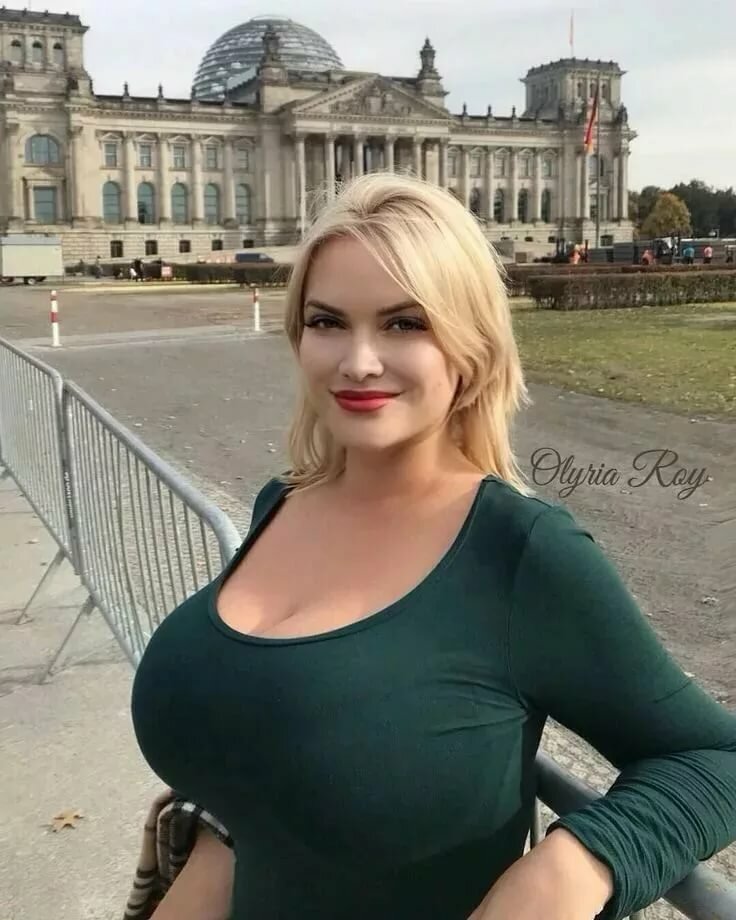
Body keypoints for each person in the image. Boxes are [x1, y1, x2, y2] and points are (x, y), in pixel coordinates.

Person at [130, 173, 736, 920]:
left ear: (471, 347)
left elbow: (718, 756)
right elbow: (255, 789)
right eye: (327, 321)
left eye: (405, 324)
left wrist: (571, 868)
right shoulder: (280, 502)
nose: (358, 361)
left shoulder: (519, 551)